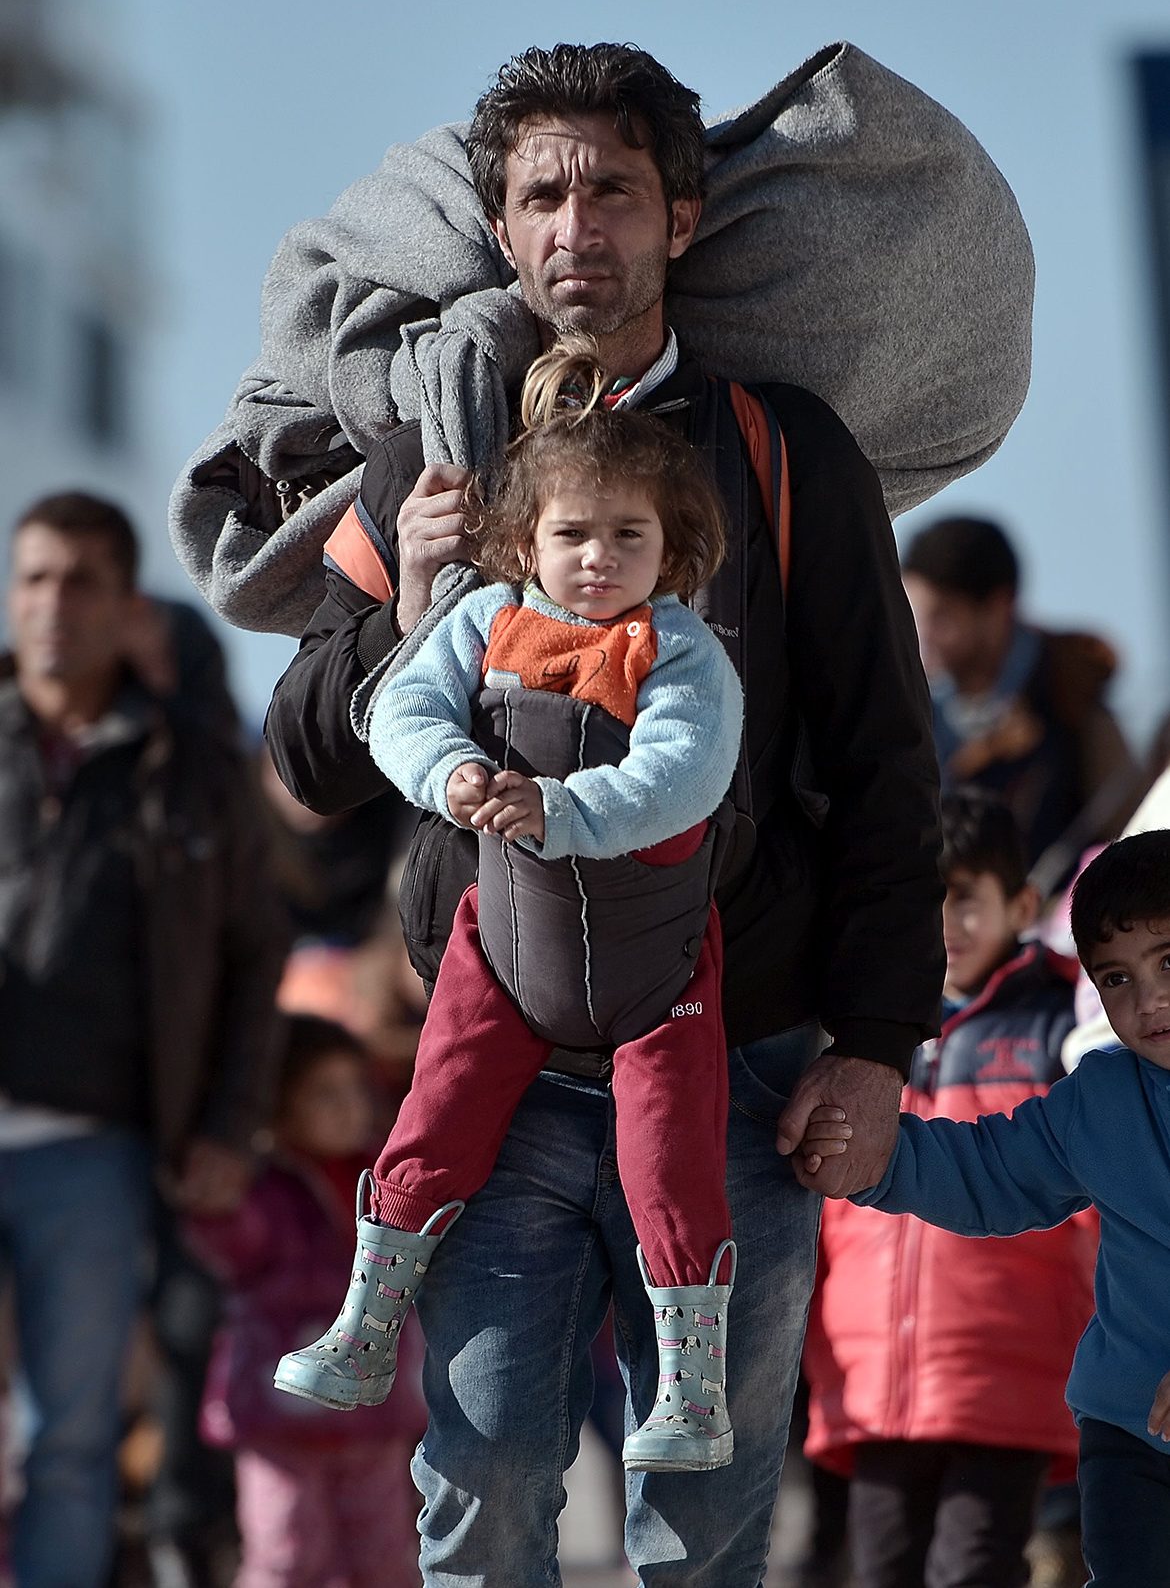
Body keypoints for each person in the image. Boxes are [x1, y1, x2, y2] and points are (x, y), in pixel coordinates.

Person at [265, 43, 945, 1583]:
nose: (579, 223)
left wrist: (875, 1043)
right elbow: (302, 765)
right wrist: (405, 586)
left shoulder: (784, 455)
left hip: (739, 1058)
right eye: (543, 194)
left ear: (680, 222)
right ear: (501, 233)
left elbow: (889, 767)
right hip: (489, 1071)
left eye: (614, 189)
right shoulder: (426, 455)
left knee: (701, 1526)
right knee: (486, 1484)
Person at [277, 338, 747, 1471]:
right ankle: (363, 1329)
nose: (598, 559)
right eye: (573, 535)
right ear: (525, 541)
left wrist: (560, 810)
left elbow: (683, 773)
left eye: (628, 536)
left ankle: (692, 1394)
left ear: (670, 547)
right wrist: (454, 777)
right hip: (504, 957)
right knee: (429, 1119)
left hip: (656, 979)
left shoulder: (682, 652)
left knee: (670, 1163)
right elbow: (397, 714)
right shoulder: (483, 622)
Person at [0, 491, 287, 1588]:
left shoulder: (194, 769)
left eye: (78, 580)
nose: (50, 603)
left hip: (98, 1152)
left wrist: (227, 1125)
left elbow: (255, 960)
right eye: (32, 576)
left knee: (71, 1446)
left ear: (126, 605)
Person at [817, 827, 1170, 1588]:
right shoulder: (1100, 1097)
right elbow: (989, 1171)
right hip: (1131, 1433)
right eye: (1116, 979)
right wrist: (872, 1156)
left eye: (1169, 963)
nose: (1150, 1002)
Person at [188, 1014, 426, 1588]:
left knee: (385, 1558)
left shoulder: (390, 1181)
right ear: (278, 1107)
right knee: (287, 1554)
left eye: (355, 1090)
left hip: (373, 1417)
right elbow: (234, 1242)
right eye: (325, 1094)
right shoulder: (265, 1191)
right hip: (281, 1422)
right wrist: (214, 1202)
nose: (349, 1107)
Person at [901, 514, 1138, 885]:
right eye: (914, 615)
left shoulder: (1072, 702)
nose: (924, 634)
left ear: (997, 607)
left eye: (942, 616)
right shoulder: (913, 710)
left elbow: (1131, 842)